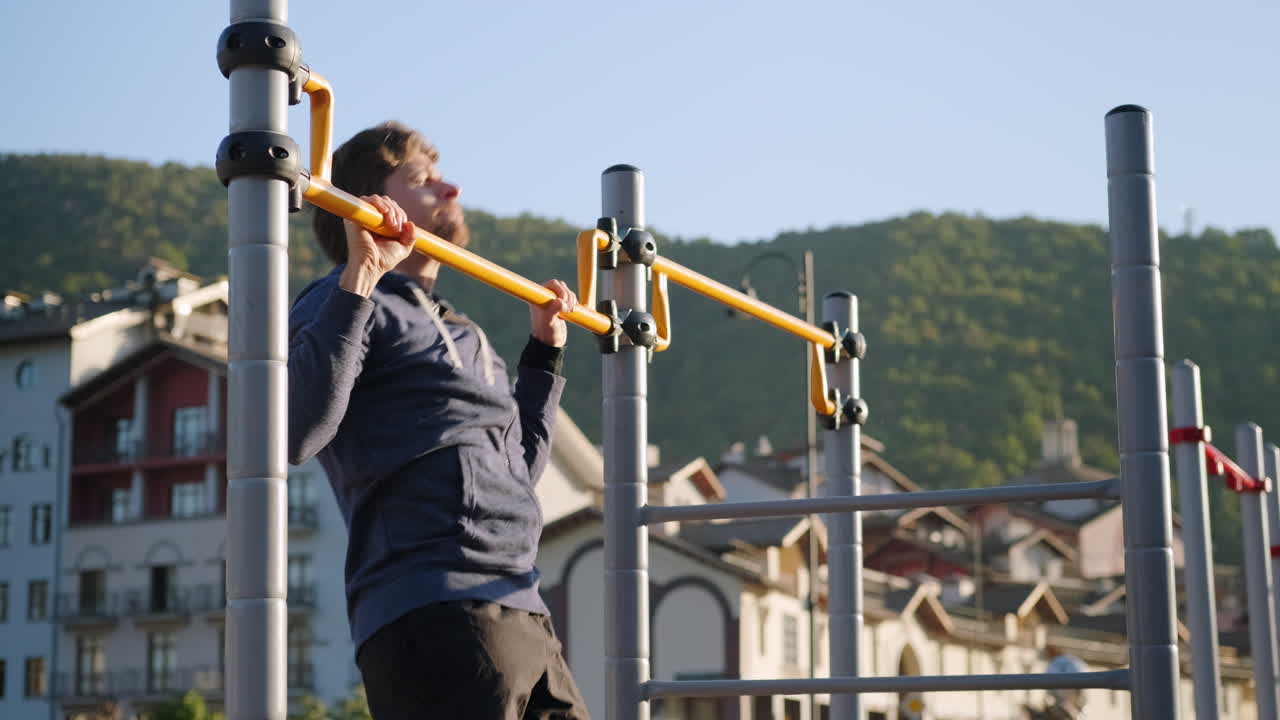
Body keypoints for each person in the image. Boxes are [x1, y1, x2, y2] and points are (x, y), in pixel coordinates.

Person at [288, 121, 590, 719]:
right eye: (422, 180)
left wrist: (543, 354)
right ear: (369, 202)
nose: (450, 191)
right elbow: (296, 430)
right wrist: (362, 275)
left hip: (521, 602)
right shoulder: (338, 301)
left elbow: (517, 472)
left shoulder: (467, 333)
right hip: (429, 605)